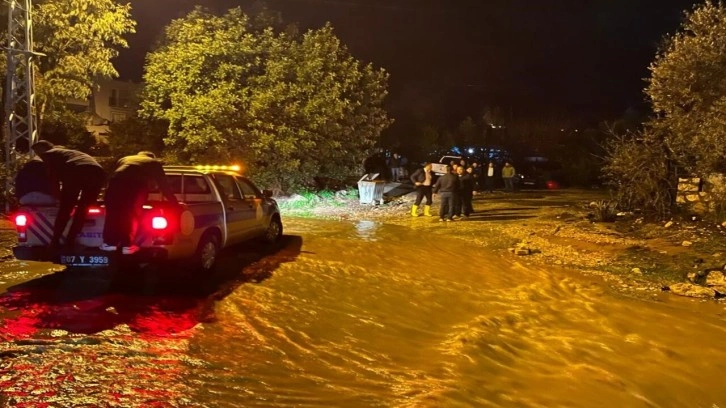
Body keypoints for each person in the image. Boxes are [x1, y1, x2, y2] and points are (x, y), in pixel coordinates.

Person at [101, 151, 179, 254]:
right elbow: (164, 185)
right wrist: (174, 203)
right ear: (152, 157)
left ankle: (110, 244)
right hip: (136, 185)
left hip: (116, 182)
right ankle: (127, 246)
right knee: (131, 213)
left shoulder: (125, 158)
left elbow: (111, 175)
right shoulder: (154, 163)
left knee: (113, 212)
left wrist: (103, 196)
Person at [31, 140, 106, 248]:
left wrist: (58, 198)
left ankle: (55, 241)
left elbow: (53, 179)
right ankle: (70, 241)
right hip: (98, 172)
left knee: (66, 208)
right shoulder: (68, 152)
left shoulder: (49, 154)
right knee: (83, 209)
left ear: (44, 149)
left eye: (38, 152)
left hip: (75, 170)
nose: (38, 156)